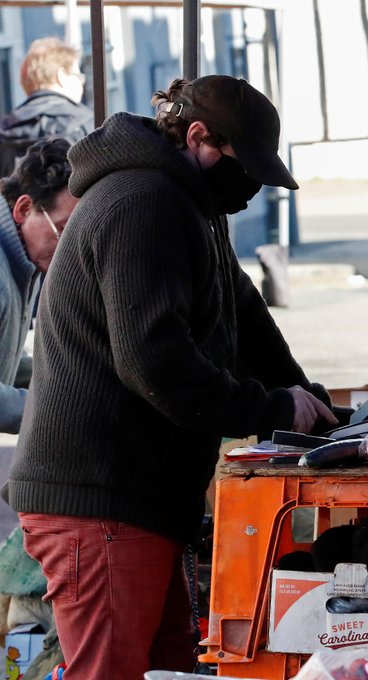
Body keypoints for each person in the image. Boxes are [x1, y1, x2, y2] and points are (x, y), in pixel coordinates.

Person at [2, 75, 337, 680]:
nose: (250, 188)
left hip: (139, 499)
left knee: (167, 671)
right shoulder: (143, 202)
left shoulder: (189, 202)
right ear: (199, 136)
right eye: (244, 166)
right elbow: (155, 363)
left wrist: (308, 401)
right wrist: (274, 411)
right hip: (100, 495)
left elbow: (243, 313)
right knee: (112, 672)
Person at [0, 138, 75, 433]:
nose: (71, 250)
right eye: (64, 231)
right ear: (23, 208)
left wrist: (70, 380)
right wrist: (61, 408)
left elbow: (6, 358)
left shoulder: (24, 255)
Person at [0, 38, 94, 176]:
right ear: (61, 75)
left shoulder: (5, 129)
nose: (81, 84)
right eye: (78, 76)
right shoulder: (84, 121)